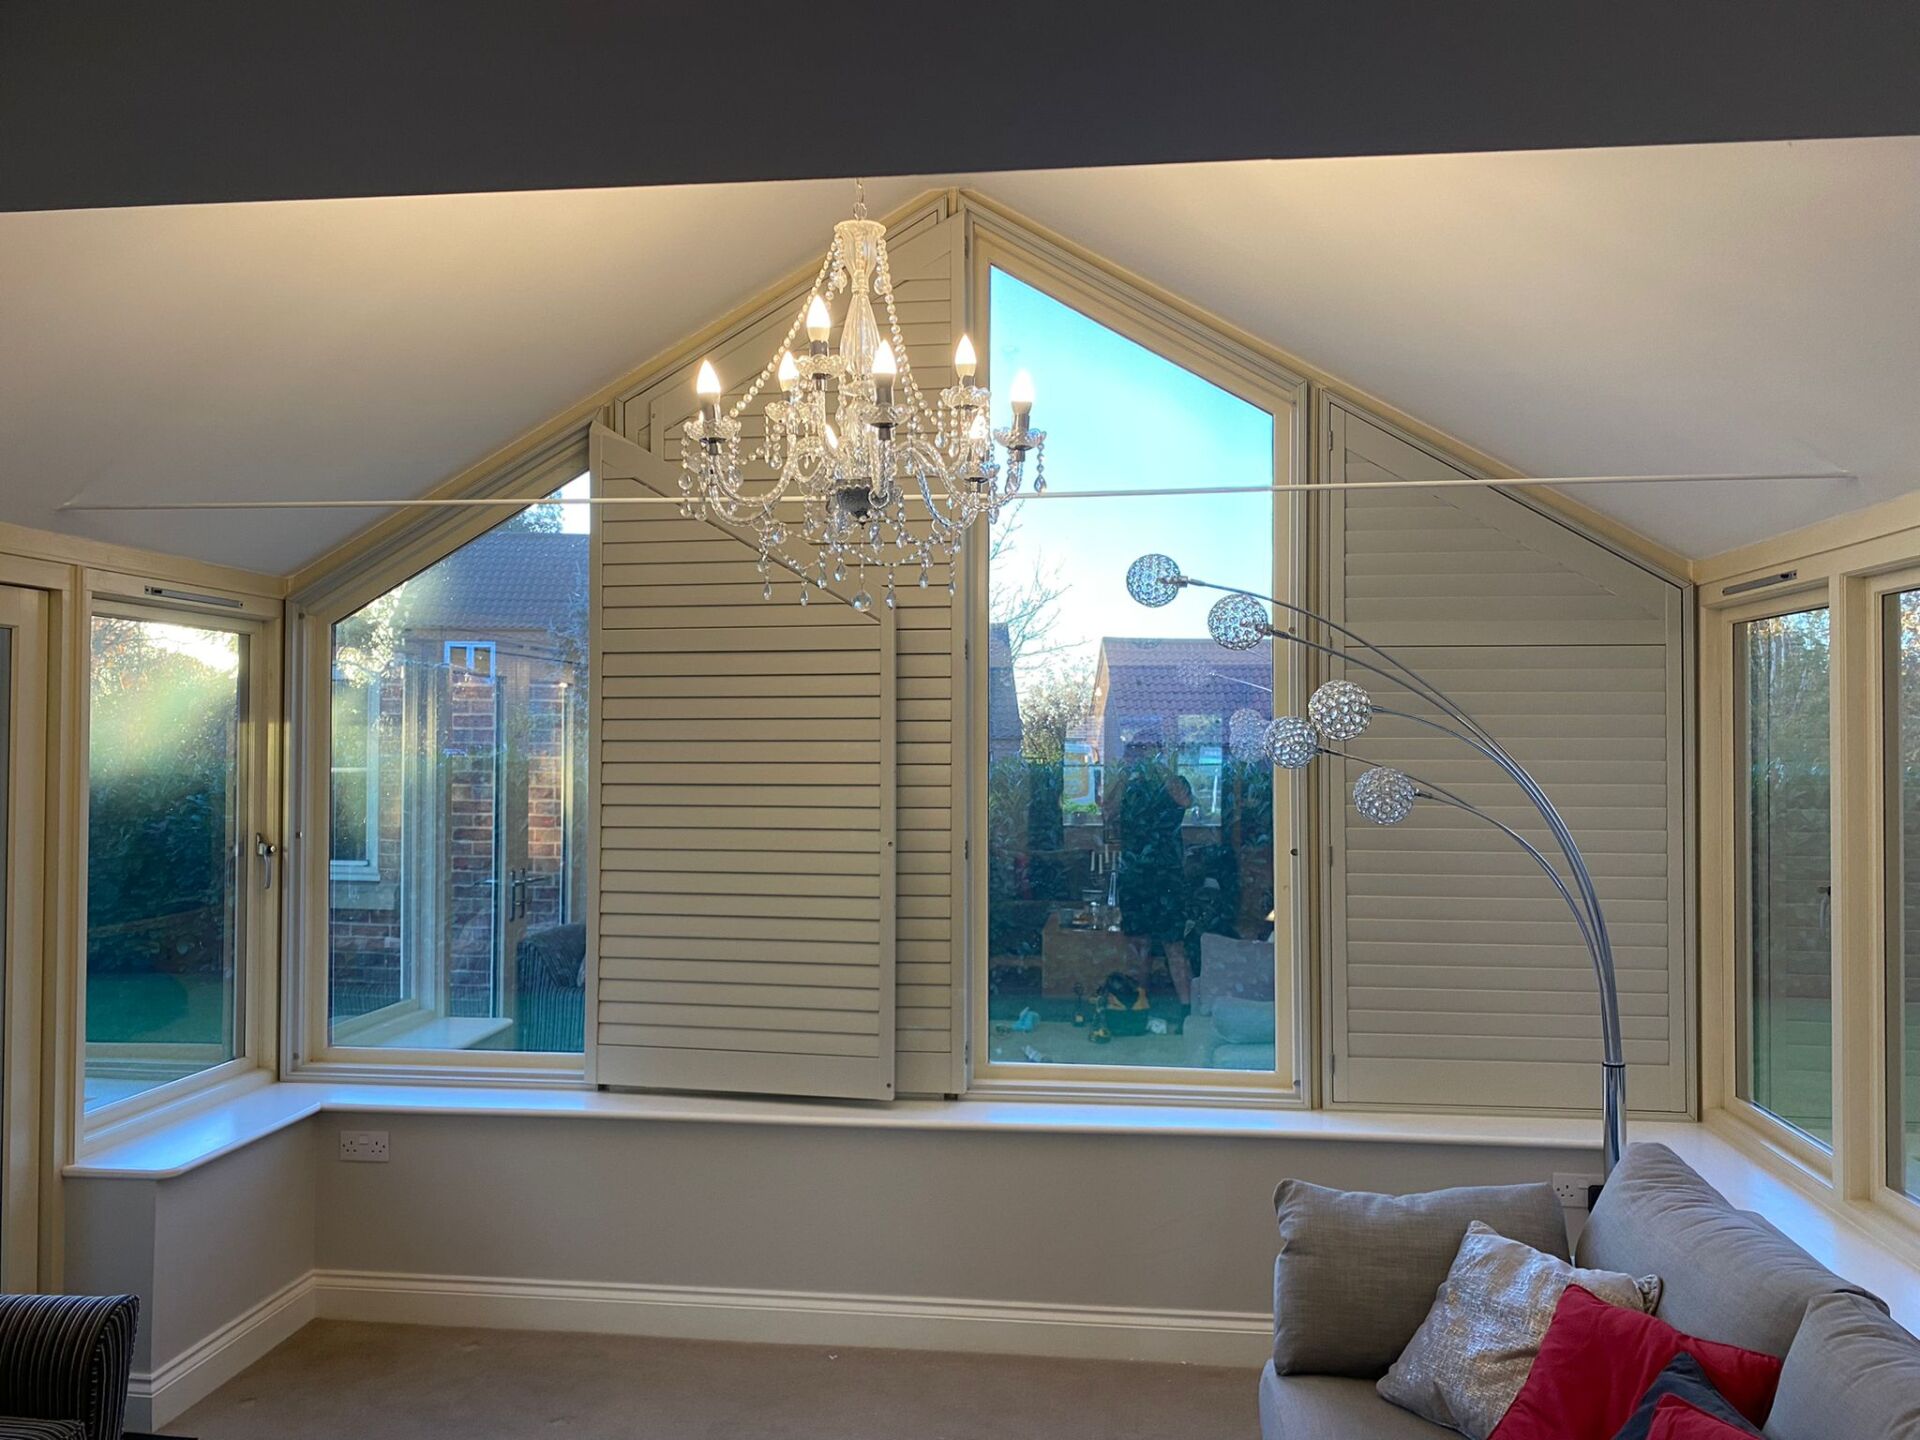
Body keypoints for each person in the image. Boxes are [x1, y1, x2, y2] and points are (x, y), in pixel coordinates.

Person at [1104, 738, 1196, 1019]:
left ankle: (1187, 1011)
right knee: (1138, 946)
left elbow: (1186, 801)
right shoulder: (1128, 786)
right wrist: (1123, 775)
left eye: (1146, 751)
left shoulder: (1172, 781)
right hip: (1135, 875)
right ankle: (1138, 1006)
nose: (1141, 757)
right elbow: (1108, 811)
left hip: (1167, 876)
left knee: (1173, 944)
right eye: (1135, 751)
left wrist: (1162, 773)